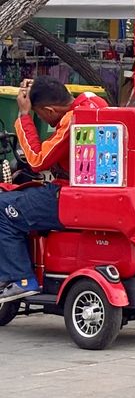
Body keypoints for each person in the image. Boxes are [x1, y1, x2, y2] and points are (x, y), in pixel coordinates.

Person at [0, 78, 107, 302]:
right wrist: (37, 87)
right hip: (95, 191)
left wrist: (23, 117)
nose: (42, 119)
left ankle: (20, 279)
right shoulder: (94, 101)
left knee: (3, 207)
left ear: (49, 110)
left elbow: (38, 161)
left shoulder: (71, 120)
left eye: (40, 115)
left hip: (71, 196)